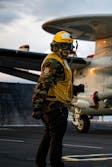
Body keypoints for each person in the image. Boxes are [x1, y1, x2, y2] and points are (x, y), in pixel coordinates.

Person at [32, 30, 75, 167]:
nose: (67, 49)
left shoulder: (60, 61)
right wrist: (37, 107)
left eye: (68, 46)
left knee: (49, 136)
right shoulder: (53, 62)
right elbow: (42, 85)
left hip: (55, 105)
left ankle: (40, 162)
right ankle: (55, 164)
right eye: (64, 46)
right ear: (55, 46)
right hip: (54, 106)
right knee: (56, 138)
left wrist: (76, 89)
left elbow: (60, 83)